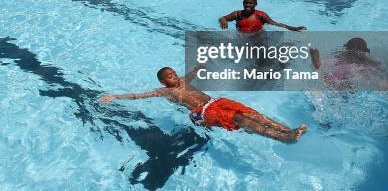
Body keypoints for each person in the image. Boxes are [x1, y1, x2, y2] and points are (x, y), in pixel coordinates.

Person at [100, 66, 307, 143]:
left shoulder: (183, 80)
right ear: (163, 82)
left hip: (217, 102)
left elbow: (193, 72)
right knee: (240, 120)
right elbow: (139, 96)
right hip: (204, 112)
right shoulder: (165, 91)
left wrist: (202, 66)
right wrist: (115, 97)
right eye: (170, 77)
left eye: (174, 73)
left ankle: (287, 129)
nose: (175, 78)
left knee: (251, 113)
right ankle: (283, 137)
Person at [219, 0, 306, 33]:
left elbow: (276, 24)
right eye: (246, 3)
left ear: (255, 4)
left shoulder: (260, 15)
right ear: (243, 3)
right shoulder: (237, 14)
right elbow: (222, 18)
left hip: (257, 40)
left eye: (250, 3)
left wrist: (293, 28)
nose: (247, 5)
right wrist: (223, 20)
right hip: (241, 39)